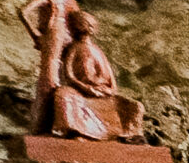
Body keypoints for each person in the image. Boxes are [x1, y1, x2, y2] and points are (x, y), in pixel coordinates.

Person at [52, 10, 142, 141]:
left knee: (135, 106)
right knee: (63, 94)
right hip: (81, 92)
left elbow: (111, 78)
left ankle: (130, 135)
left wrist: (109, 90)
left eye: (91, 25)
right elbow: (69, 75)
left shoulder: (97, 51)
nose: (89, 28)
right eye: (85, 24)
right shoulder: (74, 49)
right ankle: (79, 132)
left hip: (103, 92)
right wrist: (86, 88)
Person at [16, 0, 80, 132]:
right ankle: (44, 123)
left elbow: (78, 20)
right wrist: (36, 34)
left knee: (68, 73)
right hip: (54, 33)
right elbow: (23, 11)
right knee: (50, 76)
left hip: (68, 36)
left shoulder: (70, 0)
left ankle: (67, 118)